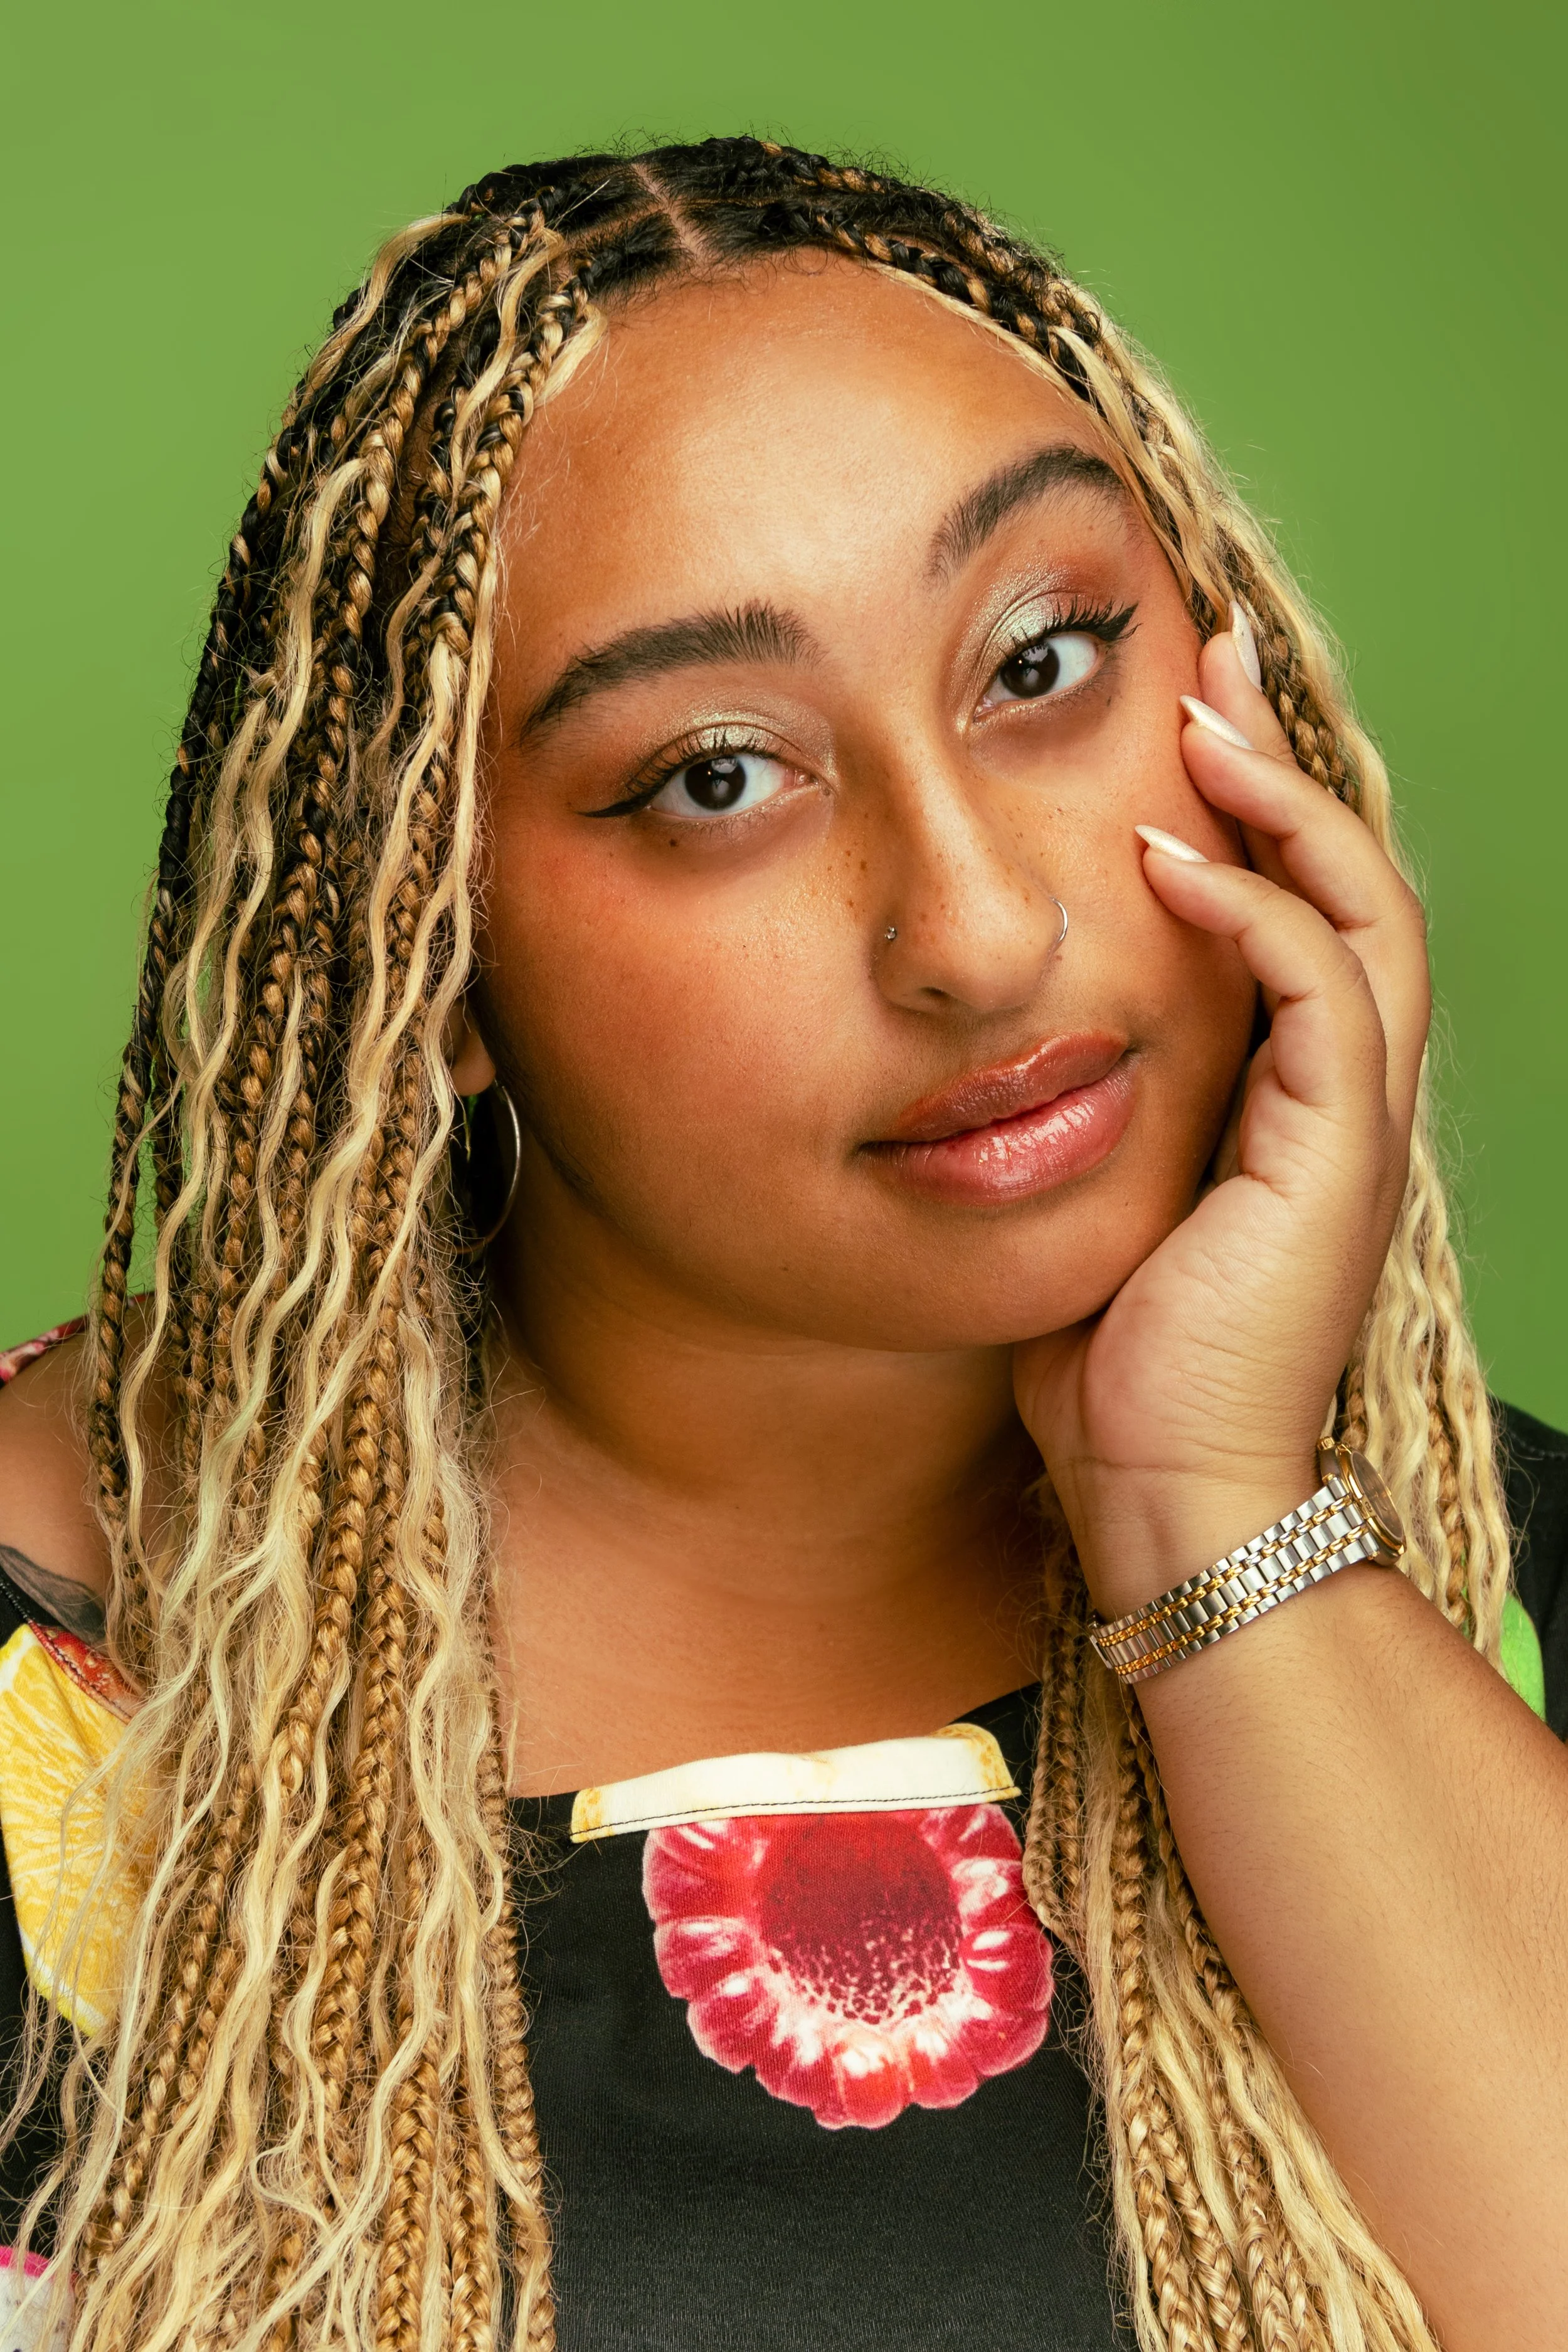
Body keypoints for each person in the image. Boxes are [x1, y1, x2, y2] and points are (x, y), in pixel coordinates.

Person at [0, 135, 1564, 2352]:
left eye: (1041, 659)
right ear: (421, 950)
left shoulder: (1490, 1584)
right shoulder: (53, 1705)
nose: (978, 930)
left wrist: (1209, 1508)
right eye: (715, 778)